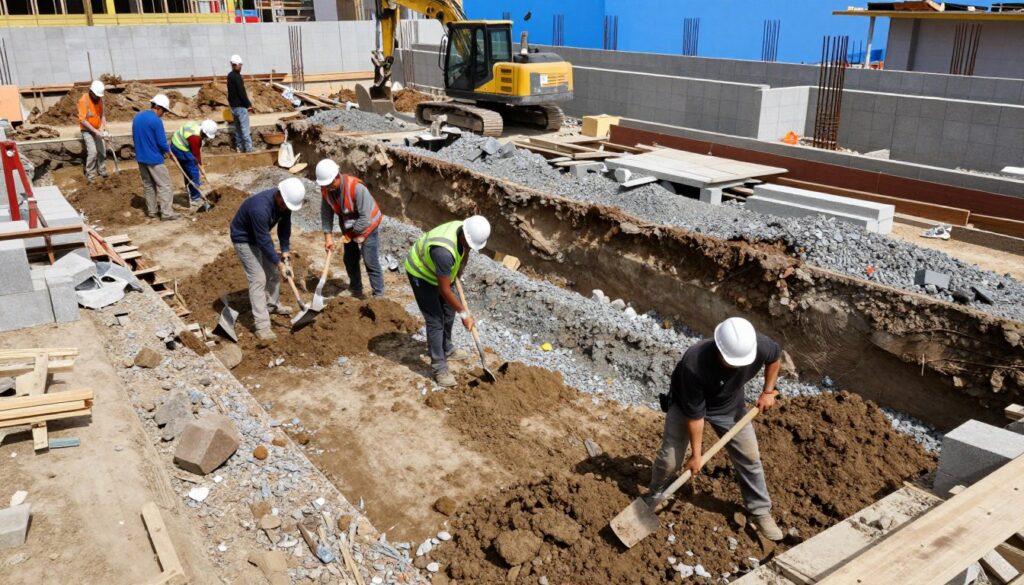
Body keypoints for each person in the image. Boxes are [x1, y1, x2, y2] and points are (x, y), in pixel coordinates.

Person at [646, 316, 785, 541]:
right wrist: (696, 455)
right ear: (718, 348)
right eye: (732, 361)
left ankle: (760, 511)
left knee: (750, 457)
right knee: (670, 460)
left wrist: (768, 391)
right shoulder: (694, 363)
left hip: (728, 406)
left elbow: (775, 359)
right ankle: (654, 495)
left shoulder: (757, 345)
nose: (737, 366)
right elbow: (696, 418)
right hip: (686, 406)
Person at [404, 216, 491, 387]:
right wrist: (464, 313)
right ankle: (439, 367)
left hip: (439, 271)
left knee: (449, 311)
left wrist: (458, 271)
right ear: (465, 236)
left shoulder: (464, 230)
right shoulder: (443, 253)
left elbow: (465, 253)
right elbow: (444, 289)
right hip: (421, 274)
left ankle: (446, 347)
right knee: (435, 320)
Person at [229, 178, 307, 342]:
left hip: (259, 236)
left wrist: (285, 254)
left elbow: (284, 229)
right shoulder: (260, 208)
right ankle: (262, 327)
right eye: (285, 204)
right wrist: (279, 263)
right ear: (280, 196)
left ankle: (272, 305)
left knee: (272, 272)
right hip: (243, 239)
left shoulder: (286, 203)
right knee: (258, 278)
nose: (286, 208)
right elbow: (263, 240)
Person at [315, 159, 385, 298]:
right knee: (350, 259)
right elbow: (326, 213)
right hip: (348, 225)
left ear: (337, 176)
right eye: (325, 186)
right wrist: (328, 237)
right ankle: (356, 289)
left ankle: (379, 295)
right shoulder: (326, 190)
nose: (328, 188)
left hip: (368, 225)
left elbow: (365, 218)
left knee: (370, 260)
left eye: (330, 184)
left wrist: (351, 234)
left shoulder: (357, 188)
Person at [131, 94, 178, 221]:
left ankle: (152, 211)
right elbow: (162, 142)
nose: (163, 114)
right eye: (164, 111)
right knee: (165, 185)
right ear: (158, 107)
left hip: (141, 157)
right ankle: (167, 213)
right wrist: (170, 153)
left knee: (148, 185)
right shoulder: (156, 121)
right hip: (154, 159)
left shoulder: (137, 117)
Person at [170, 119, 218, 211]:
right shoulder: (195, 138)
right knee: (194, 173)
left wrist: (201, 165)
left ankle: (190, 192)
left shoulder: (196, 126)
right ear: (204, 132)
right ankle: (195, 198)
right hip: (180, 149)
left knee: (188, 171)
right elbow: (196, 155)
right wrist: (201, 168)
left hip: (176, 144)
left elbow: (198, 151)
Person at [78, 80, 109, 181]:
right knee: (92, 152)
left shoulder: (99, 100)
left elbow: (102, 115)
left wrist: (103, 128)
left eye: (100, 96)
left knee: (102, 150)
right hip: (86, 130)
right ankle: (91, 175)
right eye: (97, 96)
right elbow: (82, 120)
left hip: (97, 129)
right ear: (91, 92)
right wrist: (95, 132)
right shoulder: (83, 100)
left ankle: (102, 170)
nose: (99, 98)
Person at [227, 54, 253, 153]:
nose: (241, 67)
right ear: (235, 65)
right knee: (245, 129)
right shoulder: (237, 77)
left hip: (233, 107)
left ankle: (239, 147)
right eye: (239, 65)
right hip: (241, 107)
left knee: (238, 129)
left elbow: (230, 93)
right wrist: (248, 104)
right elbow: (241, 92)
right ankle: (249, 149)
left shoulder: (230, 75)